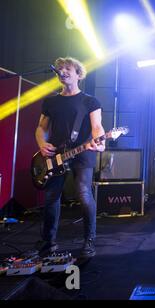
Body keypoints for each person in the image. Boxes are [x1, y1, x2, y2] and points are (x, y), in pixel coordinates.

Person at [34, 57, 105, 258]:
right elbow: (41, 128)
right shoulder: (50, 101)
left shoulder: (90, 101)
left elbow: (97, 127)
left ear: (78, 74)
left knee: (83, 194)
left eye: (67, 68)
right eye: (59, 69)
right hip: (55, 155)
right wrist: (41, 143)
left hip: (82, 153)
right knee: (51, 197)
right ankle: (48, 242)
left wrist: (100, 141)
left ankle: (89, 240)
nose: (62, 71)